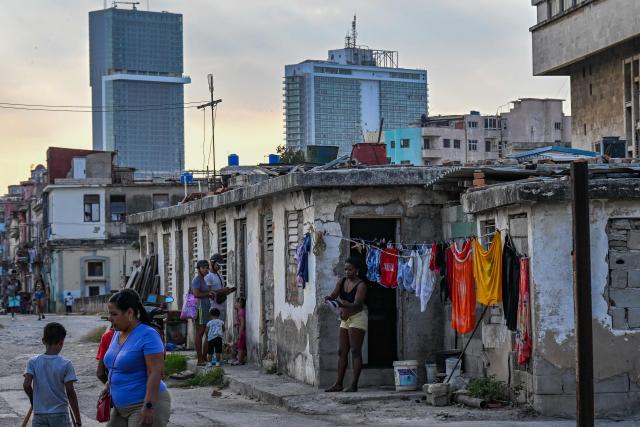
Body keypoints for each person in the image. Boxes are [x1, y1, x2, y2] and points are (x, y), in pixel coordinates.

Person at [102, 289, 170, 426]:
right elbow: (116, 365)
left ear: (130, 313)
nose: (110, 318)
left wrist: (149, 406)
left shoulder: (148, 335)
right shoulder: (117, 333)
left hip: (143, 405)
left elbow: (155, 372)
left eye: (114, 314)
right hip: (120, 408)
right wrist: (108, 386)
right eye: (109, 314)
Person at [23, 322, 81, 427]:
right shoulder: (66, 364)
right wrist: (78, 420)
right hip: (59, 413)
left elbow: (26, 385)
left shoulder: (33, 362)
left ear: (43, 340)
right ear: (62, 342)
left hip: (39, 414)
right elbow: (70, 392)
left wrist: (33, 401)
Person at [324, 257, 368, 393]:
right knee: (342, 351)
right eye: (346, 269)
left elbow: (357, 304)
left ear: (357, 271)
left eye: (350, 269)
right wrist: (329, 298)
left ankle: (354, 384)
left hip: (357, 318)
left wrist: (341, 304)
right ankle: (338, 384)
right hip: (345, 319)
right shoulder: (342, 281)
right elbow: (334, 294)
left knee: (355, 351)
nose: (347, 272)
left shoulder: (361, 285)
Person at [191, 260, 213, 366]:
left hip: (205, 308)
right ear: (199, 268)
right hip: (200, 308)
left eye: (207, 267)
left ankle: (204, 357)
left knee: (207, 332)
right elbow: (196, 294)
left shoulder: (202, 279)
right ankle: (200, 359)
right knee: (200, 333)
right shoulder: (197, 280)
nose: (206, 269)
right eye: (204, 267)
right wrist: (208, 294)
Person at [205, 254, 235, 323]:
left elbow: (221, 291)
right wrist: (222, 290)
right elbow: (207, 292)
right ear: (212, 263)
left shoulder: (220, 276)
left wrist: (227, 291)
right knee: (213, 329)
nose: (219, 267)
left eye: (220, 265)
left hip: (222, 306)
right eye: (218, 265)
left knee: (221, 329)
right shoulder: (208, 276)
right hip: (213, 309)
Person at [231, 298, 246, 366]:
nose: (235, 304)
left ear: (240, 304)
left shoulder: (240, 312)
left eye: (236, 303)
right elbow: (240, 322)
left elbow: (242, 323)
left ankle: (239, 360)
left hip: (241, 331)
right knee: (240, 346)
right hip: (241, 330)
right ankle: (240, 360)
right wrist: (237, 324)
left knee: (240, 347)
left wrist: (240, 333)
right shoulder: (240, 311)